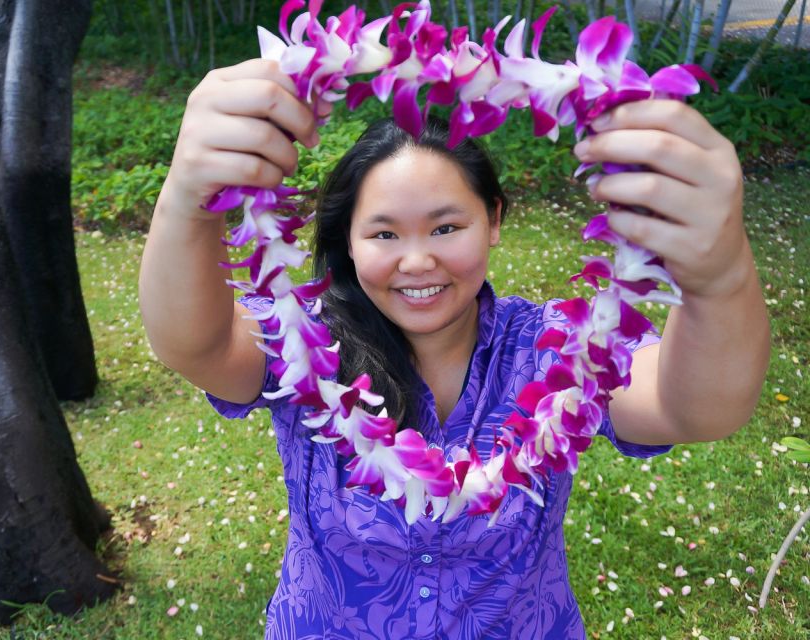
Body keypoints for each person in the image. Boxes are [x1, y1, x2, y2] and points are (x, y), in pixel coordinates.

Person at [139, 59, 770, 638]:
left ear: (493, 219)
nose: (418, 260)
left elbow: (695, 406)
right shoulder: (309, 344)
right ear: (350, 243)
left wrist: (720, 276)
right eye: (384, 232)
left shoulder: (554, 350)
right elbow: (197, 344)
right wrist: (189, 199)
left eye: (446, 226)